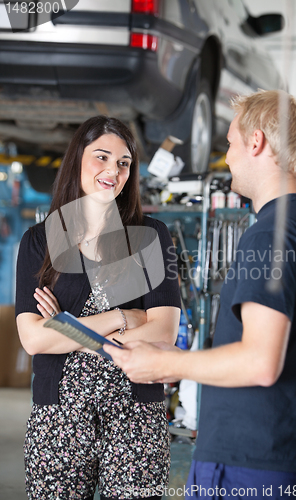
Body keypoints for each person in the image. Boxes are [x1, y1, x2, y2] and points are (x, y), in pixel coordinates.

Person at [105, 90, 296, 499]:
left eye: (229, 143)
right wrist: (180, 361)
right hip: (295, 457)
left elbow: (261, 361)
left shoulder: (271, 233)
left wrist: (161, 362)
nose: (226, 158)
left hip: (251, 462)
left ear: (257, 142)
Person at [15, 115, 181, 500]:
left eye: (124, 163)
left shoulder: (153, 237)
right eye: (102, 157)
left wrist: (65, 326)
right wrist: (121, 318)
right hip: (59, 416)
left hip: (136, 415)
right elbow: (34, 340)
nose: (113, 171)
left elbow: (163, 333)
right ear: (77, 160)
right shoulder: (39, 241)